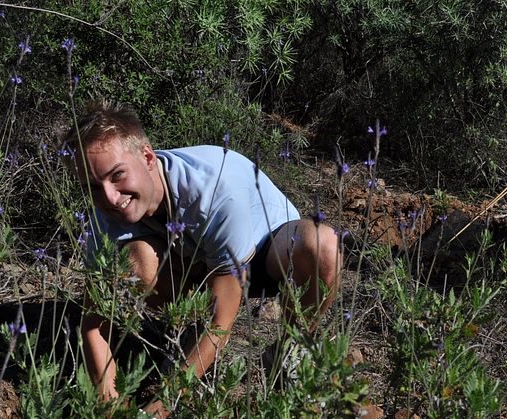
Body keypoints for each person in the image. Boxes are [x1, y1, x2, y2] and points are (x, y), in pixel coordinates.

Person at [64, 101, 341, 417]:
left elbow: (220, 322)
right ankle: (180, 333)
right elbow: (94, 322)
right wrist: (108, 405)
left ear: (147, 157)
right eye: (93, 187)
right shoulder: (105, 216)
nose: (111, 198)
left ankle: (292, 350)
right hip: (193, 261)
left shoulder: (215, 190)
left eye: (118, 175)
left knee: (321, 245)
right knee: (130, 267)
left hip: (263, 251)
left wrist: (161, 407)